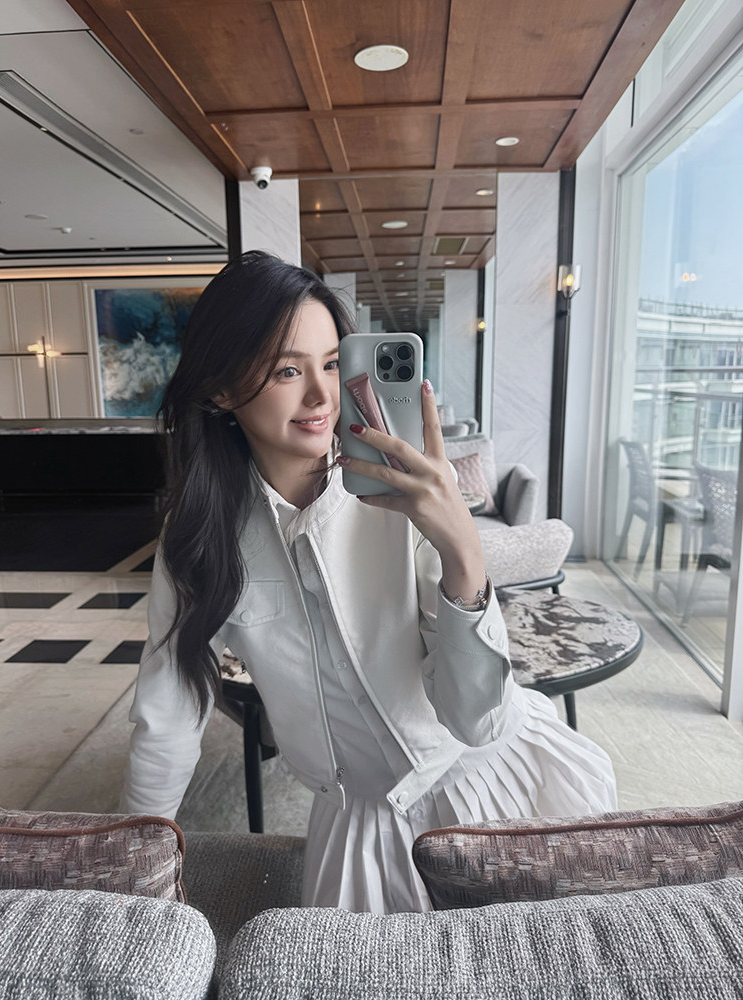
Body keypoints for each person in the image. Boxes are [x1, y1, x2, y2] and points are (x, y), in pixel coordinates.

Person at [121, 250, 617, 913]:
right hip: (359, 825)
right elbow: (169, 707)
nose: (321, 397)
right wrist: (131, 864)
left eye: (332, 364)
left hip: (490, 781)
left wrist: (462, 552)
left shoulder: (403, 495)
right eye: (287, 370)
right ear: (220, 390)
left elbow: (479, 721)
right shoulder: (199, 537)